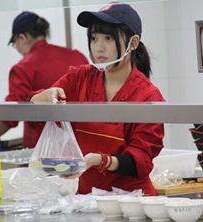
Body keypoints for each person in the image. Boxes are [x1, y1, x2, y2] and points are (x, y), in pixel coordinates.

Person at [29, 3, 165, 196]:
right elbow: (35, 107)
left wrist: (101, 161)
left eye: (108, 38)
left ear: (133, 43)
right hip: (88, 201)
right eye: (94, 38)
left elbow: (140, 161)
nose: (99, 47)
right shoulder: (80, 78)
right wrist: (42, 97)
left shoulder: (148, 96)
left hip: (133, 203)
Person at [0, 11, 88, 152]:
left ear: (22, 38)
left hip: (43, 152)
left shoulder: (23, 68)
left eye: (14, 43)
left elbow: (12, 112)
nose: (16, 48)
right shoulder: (77, 57)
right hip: (81, 148)